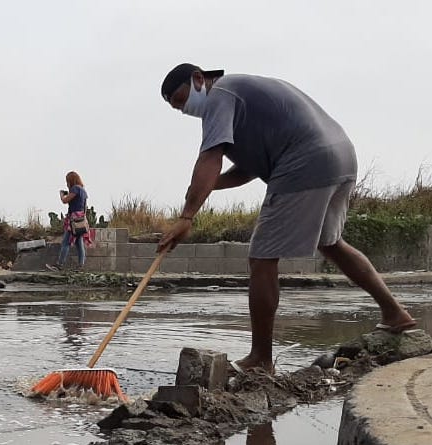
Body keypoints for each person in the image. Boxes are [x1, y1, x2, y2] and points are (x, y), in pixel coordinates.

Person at [157, 63, 415, 374]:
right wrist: (206, 186)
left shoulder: (219, 95)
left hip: (305, 160)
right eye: (177, 108)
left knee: (262, 258)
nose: (185, 109)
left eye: (183, 100)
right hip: (340, 156)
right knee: (331, 243)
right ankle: (394, 313)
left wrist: (187, 216)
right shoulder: (241, 94)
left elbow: (210, 157)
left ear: (199, 78)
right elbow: (247, 170)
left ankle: (260, 360)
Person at [46, 171, 91, 271]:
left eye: (67, 181)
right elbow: (84, 207)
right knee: (79, 243)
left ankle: (59, 265)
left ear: (71, 180)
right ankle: (80, 266)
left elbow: (65, 201)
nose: (67, 183)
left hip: (74, 220)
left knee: (66, 242)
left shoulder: (75, 189)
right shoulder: (83, 190)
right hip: (81, 219)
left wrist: (62, 195)